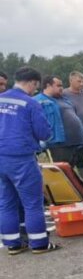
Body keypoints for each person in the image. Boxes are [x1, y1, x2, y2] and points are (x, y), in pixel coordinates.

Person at [0, 66, 59, 254]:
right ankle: (39, 244)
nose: (35, 90)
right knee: (32, 203)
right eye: (35, 87)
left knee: (6, 202)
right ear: (33, 83)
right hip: (21, 158)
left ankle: (13, 244)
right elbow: (44, 133)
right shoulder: (30, 103)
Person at [38, 76, 83, 177]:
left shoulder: (64, 99)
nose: (62, 88)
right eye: (58, 85)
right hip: (59, 144)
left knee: (71, 172)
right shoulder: (38, 101)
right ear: (48, 85)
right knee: (62, 173)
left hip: (75, 142)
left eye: (62, 85)